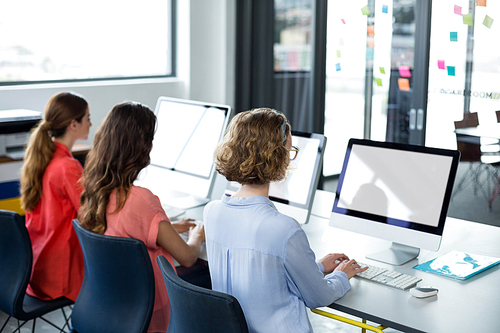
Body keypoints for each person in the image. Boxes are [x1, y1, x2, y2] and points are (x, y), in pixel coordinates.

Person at [204, 108, 368, 333]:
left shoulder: (211, 212)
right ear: (277, 157)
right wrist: (342, 274)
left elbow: (261, 274)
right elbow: (319, 297)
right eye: (290, 151)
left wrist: (316, 267)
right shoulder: (284, 229)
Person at [78, 101, 205, 333]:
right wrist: (196, 236)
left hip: (116, 305)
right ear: (141, 146)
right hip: (152, 310)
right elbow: (187, 258)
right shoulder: (140, 199)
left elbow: (125, 229)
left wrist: (169, 228)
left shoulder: (97, 188)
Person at [20, 91, 92, 302]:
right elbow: (90, 217)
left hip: (37, 274)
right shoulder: (68, 167)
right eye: (87, 118)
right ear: (73, 124)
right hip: (61, 278)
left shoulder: (41, 157)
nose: (90, 123)